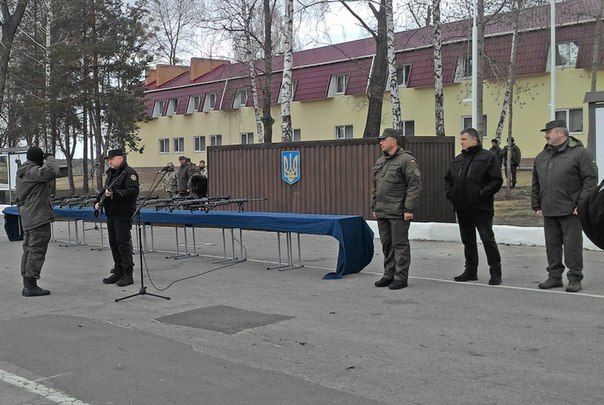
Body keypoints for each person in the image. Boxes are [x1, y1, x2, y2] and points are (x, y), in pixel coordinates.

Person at [531, 119, 598, 292]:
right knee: (552, 246)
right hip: (549, 209)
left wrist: (581, 204)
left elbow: (590, 180)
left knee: (572, 246)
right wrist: (536, 205)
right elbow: (536, 182)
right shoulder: (542, 156)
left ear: (561, 133)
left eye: (549, 132)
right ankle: (554, 277)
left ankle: (574, 278)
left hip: (571, 210)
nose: (546, 136)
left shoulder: (580, 153)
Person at [445, 128, 504, 285]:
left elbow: (496, 180)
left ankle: (495, 272)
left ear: (474, 140)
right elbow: (448, 180)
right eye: (461, 139)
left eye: (464, 139)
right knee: (468, 241)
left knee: (487, 239)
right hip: (462, 207)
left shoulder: (488, 157)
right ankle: (470, 271)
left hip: (481, 207)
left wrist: (482, 194)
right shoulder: (458, 159)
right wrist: (451, 194)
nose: (461, 142)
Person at [371, 128, 422, 290]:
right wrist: (374, 206)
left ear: (393, 141)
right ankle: (389, 274)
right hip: (382, 211)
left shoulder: (406, 160)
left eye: (383, 140)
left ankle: (400, 277)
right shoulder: (381, 161)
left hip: (398, 212)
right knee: (386, 245)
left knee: (400, 245)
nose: (380, 142)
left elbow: (414, 186)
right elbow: (375, 186)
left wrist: (409, 209)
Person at [15, 146, 59, 296]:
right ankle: (30, 285)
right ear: (38, 159)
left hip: (29, 216)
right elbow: (52, 172)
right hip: (37, 217)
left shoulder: (23, 171)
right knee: (36, 250)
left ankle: (28, 281)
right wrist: (50, 157)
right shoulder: (32, 171)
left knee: (29, 249)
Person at [95, 149, 140, 286]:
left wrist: (116, 193)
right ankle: (118, 271)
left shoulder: (129, 173)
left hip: (122, 213)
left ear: (120, 158)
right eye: (109, 160)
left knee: (123, 244)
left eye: (112, 159)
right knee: (114, 243)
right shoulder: (112, 173)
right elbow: (105, 190)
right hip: (111, 213)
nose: (110, 162)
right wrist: (97, 202)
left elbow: (133, 191)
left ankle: (128, 274)